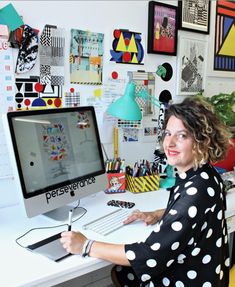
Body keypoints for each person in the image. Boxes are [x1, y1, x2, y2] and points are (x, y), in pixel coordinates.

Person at [60, 97, 232, 287]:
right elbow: (196, 216)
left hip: (186, 280)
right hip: (206, 274)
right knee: (122, 271)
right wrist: (161, 213)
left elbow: (149, 256)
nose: (170, 143)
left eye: (182, 135)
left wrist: (86, 245)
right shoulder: (205, 175)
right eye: (168, 133)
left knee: (124, 270)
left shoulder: (195, 192)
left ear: (202, 141)